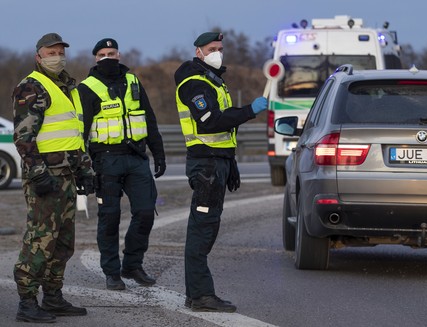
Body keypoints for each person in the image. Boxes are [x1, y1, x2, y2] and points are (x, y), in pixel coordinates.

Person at [174, 31, 267, 313]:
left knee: (208, 228)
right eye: (212, 48)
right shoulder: (194, 84)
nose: (218, 52)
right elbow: (210, 122)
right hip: (206, 165)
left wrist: (231, 162)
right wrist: (249, 110)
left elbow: (225, 131)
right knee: (202, 230)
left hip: (217, 163)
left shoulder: (214, 81)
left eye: (220, 48)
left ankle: (198, 294)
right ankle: (201, 296)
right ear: (199, 52)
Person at [12, 32, 94, 323]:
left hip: (68, 175)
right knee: (40, 239)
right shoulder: (31, 87)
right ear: (38, 57)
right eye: (50, 53)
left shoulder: (68, 88)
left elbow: (74, 137)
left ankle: (53, 296)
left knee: (63, 241)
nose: (57, 57)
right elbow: (23, 138)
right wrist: (37, 174)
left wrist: (86, 169)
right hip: (45, 177)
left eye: (60, 52)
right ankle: (26, 301)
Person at [75, 38, 166, 291]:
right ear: (95, 58)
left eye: (111, 52)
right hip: (105, 160)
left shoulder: (133, 81)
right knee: (110, 218)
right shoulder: (87, 88)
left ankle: (132, 265)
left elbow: (149, 119)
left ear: (119, 54)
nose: (107, 57)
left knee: (146, 212)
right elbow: (80, 132)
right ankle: (112, 272)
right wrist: (83, 168)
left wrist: (159, 154)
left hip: (137, 157)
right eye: (102, 53)